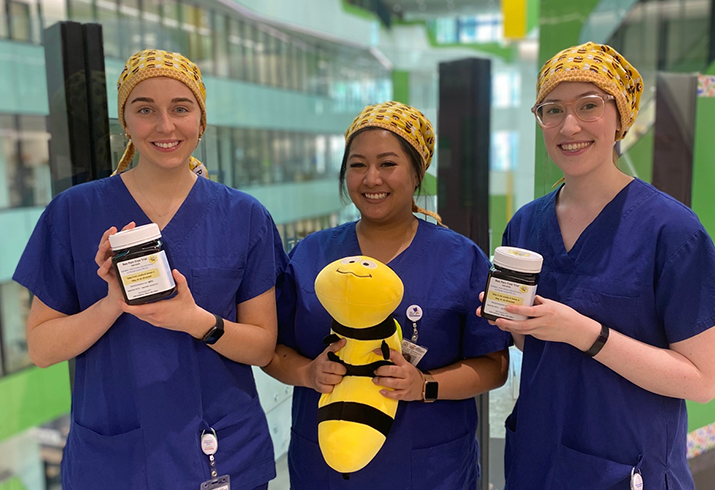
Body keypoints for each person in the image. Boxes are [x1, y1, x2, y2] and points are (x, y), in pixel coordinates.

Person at [13, 49, 286, 489]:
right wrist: (112, 304)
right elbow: (43, 348)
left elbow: (261, 347)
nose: (165, 126)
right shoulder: (74, 211)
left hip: (221, 450)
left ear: (201, 121)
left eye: (181, 108)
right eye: (145, 110)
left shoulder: (244, 216)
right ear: (125, 122)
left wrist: (194, 321)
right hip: (116, 461)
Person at [481, 42, 715, 489]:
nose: (569, 126)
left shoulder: (672, 231)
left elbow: (702, 381)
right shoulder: (526, 224)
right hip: (538, 456)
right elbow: (538, 350)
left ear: (621, 117)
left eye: (589, 106)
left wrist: (583, 331)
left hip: (629, 464)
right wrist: (516, 322)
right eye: (552, 110)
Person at [264, 101, 510, 489]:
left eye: (388, 164)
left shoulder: (460, 258)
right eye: (357, 165)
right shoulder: (311, 255)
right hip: (325, 465)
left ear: (417, 172)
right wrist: (307, 373)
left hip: (429, 466)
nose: (371, 178)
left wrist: (424, 385)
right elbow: (272, 350)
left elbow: (495, 365)